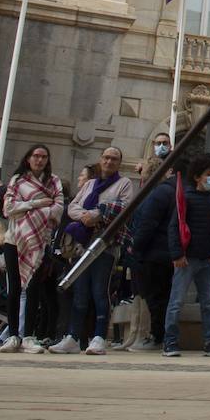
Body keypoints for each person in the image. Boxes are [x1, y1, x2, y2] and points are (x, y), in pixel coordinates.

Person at [50, 147, 133, 355]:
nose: (109, 161)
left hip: (105, 245)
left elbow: (124, 207)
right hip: (82, 244)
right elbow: (72, 207)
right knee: (80, 292)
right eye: (106, 157)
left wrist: (98, 214)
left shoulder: (124, 184)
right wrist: (88, 216)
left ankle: (99, 336)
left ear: (119, 163)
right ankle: (74, 336)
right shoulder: (89, 184)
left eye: (114, 158)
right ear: (100, 160)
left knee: (99, 291)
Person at [162, 154, 210, 357]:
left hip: (206, 259)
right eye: (209, 175)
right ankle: (170, 342)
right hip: (187, 259)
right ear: (197, 177)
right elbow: (175, 227)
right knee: (176, 302)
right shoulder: (187, 200)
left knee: (209, 303)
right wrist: (177, 254)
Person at [0, 145, 64, 353]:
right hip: (14, 240)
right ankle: (13, 336)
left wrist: (30, 208)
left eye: (44, 156)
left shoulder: (54, 181)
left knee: (34, 288)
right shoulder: (17, 181)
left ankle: (28, 335)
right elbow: (8, 208)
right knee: (14, 289)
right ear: (28, 158)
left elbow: (58, 209)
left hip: (39, 242)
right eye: (36, 156)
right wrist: (35, 204)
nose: (40, 160)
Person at [130, 161, 177, 350]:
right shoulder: (169, 192)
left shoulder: (156, 194)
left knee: (154, 297)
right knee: (161, 296)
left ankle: (157, 336)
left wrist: (136, 247)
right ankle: (158, 335)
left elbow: (147, 223)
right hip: (163, 252)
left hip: (152, 252)